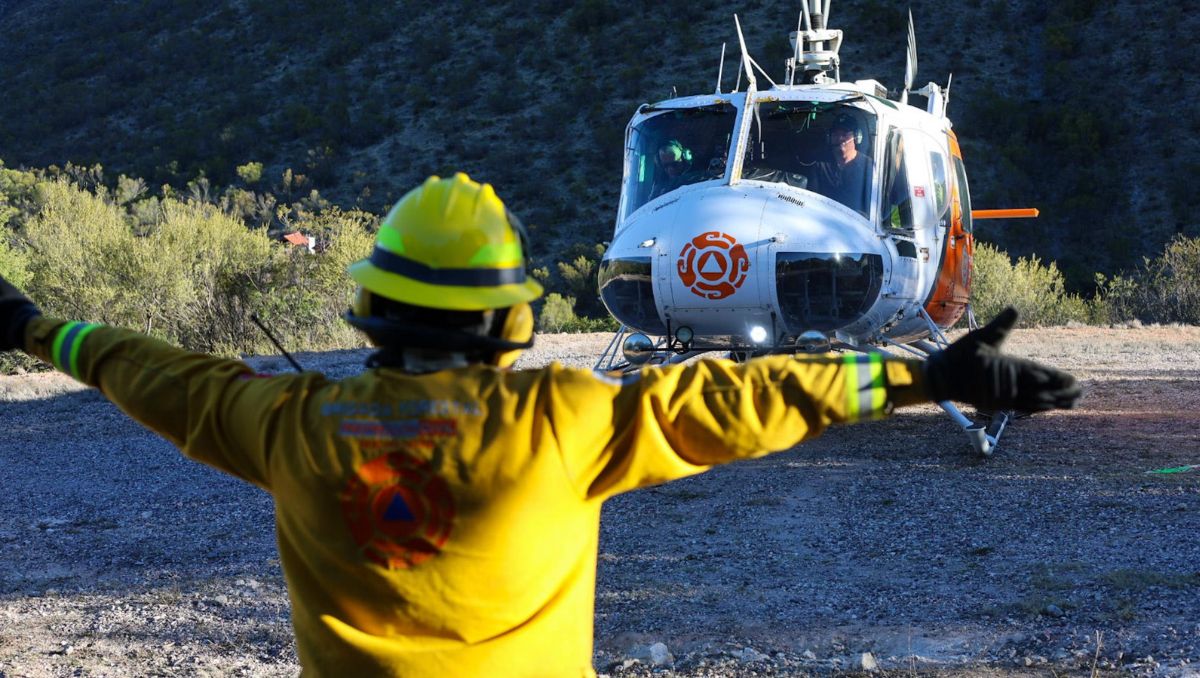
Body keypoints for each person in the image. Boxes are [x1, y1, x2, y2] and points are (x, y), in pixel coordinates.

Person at [0, 173, 1081, 677]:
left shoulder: (286, 422)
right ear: (508, 324)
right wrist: (916, 377)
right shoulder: (561, 421)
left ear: (374, 309)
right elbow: (731, 402)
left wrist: (37, 326)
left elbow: (159, 377)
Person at [806, 114, 871, 215]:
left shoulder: (869, 167)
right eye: (836, 134)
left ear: (856, 137)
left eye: (844, 134)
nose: (840, 138)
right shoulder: (820, 164)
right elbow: (811, 200)